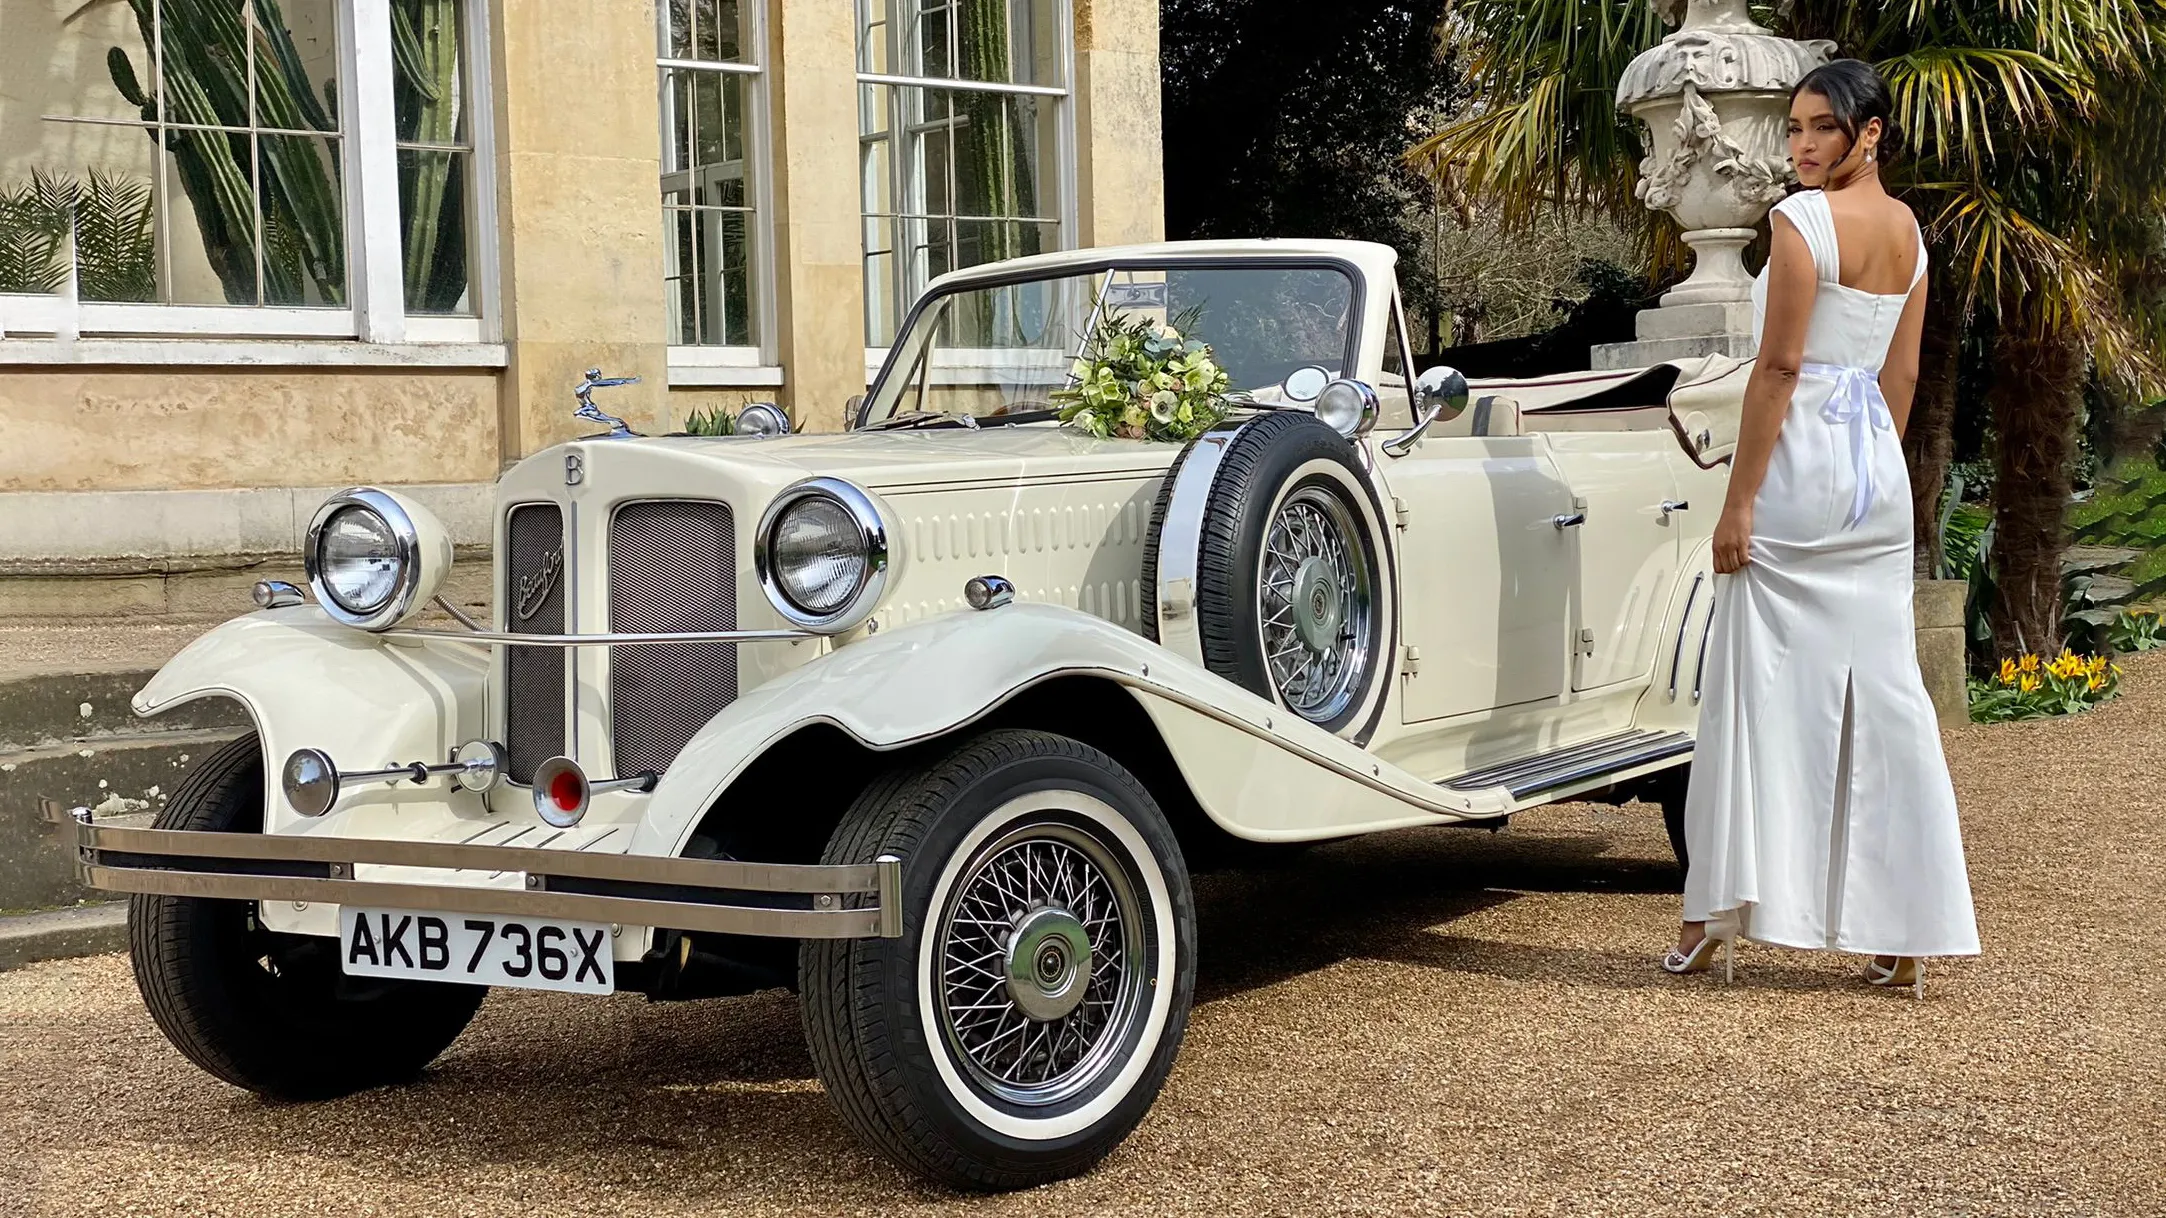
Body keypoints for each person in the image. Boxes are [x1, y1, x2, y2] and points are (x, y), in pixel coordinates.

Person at [1661, 58, 1981, 996]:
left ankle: (1711, 916)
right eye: (1793, 128)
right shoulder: (1912, 237)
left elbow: (1779, 370)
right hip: (1873, 478)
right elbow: (1903, 381)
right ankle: (1905, 930)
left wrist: (1739, 501)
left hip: (1796, 478)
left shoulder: (1798, 224)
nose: (1799, 145)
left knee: (1750, 690)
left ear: (1867, 135)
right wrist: (1872, 468)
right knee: (1888, 698)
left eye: (1819, 130)